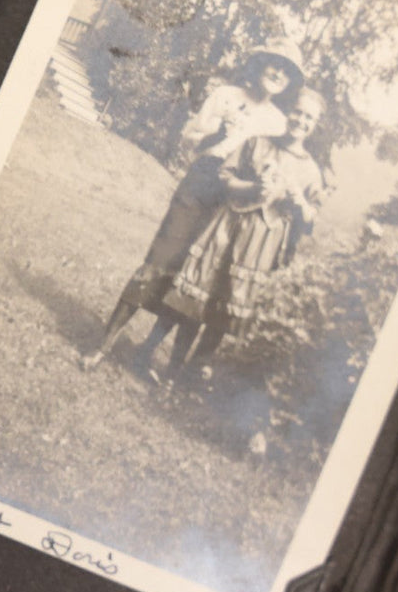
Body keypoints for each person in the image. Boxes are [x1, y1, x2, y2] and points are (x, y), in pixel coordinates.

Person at [80, 38, 305, 370]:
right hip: (201, 184)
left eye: (286, 70)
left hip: (235, 203)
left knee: (194, 280)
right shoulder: (226, 96)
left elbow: (278, 168)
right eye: (274, 63)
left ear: (289, 82)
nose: (278, 73)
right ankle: (103, 346)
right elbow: (189, 139)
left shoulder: (278, 122)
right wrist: (215, 136)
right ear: (260, 63)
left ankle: (146, 351)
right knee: (160, 259)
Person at [155, 87, 329, 387]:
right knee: (199, 295)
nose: (301, 120)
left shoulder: (311, 170)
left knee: (228, 307)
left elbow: (311, 217)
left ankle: (190, 375)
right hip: (228, 227)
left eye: (309, 117)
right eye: (297, 112)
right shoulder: (257, 143)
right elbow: (224, 176)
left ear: (315, 124)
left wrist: (301, 203)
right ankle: (172, 371)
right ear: (289, 112)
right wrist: (252, 188)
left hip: (262, 243)